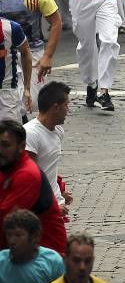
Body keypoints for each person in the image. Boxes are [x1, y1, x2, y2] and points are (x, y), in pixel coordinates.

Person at [0, 0, 62, 110]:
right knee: (12, 103)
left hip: (34, 54)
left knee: (34, 104)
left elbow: (56, 22)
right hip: (7, 56)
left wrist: (47, 56)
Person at [0, 119, 66, 254]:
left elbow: (5, 220)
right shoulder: (7, 166)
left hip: (43, 259)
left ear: (21, 147)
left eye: (5, 145)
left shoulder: (27, 174)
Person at [24, 81, 71, 216]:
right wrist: (51, 207)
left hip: (55, 203)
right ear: (55, 107)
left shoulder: (58, 131)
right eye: (66, 105)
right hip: (42, 209)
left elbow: (49, 168)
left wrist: (59, 190)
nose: (68, 110)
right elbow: (29, 179)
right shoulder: (31, 134)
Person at [0, 13, 32, 122]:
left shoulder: (11, 28)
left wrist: (27, 88)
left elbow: (26, 53)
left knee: (10, 136)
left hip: (7, 91)